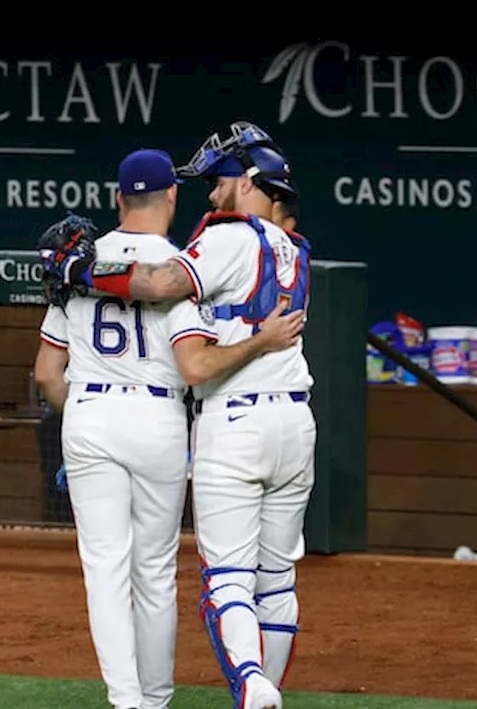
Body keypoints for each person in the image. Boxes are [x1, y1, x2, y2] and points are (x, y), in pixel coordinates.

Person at [39, 122, 313, 709]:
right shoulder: (260, 250)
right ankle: (163, 696)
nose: (211, 194)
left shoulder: (100, 261)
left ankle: (127, 699)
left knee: (106, 570)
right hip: (170, 421)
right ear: (170, 196)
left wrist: (79, 275)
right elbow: (189, 350)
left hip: (93, 413)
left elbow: (45, 372)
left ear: (118, 197)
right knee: (162, 572)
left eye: (219, 182)